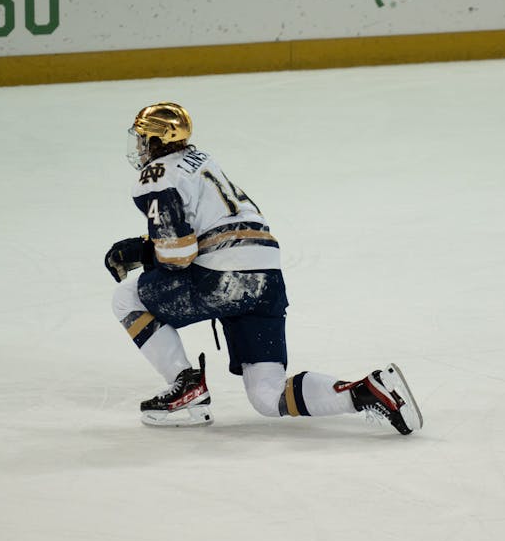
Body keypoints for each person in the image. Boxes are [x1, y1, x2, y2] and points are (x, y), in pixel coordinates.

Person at [105, 102, 423, 433]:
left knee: (127, 298)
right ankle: (367, 391)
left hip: (224, 278)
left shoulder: (156, 175)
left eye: (143, 138)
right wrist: (147, 245)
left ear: (156, 141)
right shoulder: (200, 160)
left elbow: (178, 255)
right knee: (267, 396)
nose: (139, 146)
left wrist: (143, 252)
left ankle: (185, 384)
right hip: (266, 275)